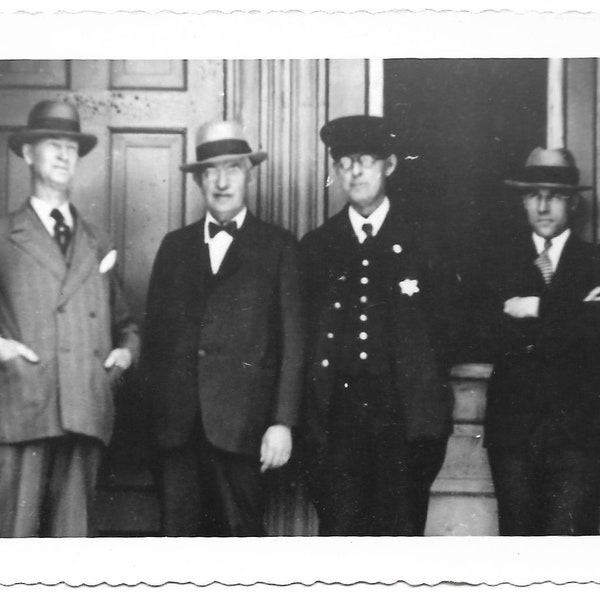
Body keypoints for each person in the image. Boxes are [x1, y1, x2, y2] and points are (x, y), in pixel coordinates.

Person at [144, 120, 304, 536]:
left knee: (240, 547)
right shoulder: (174, 247)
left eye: (232, 168)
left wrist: (282, 422)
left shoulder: (278, 246)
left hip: (245, 431)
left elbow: (294, 345)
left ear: (248, 174)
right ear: (198, 180)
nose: (221, 181)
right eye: (211, 171)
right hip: (177, 434)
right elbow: (155, 342)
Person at [300, 115, 455, 536]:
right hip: (337, 424)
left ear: (389, 166)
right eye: (344, 162)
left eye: (365, 160)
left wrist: (431, 414)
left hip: (403, 423)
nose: (354, 171)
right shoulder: (317, 247)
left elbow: (447, 331)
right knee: (342, 544)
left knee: (399, 547)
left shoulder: (424, 243)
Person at [0, 100, 139, 537]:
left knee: (69, 549)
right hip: (23, 408)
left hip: (84, 407)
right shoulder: (4, 235)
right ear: (27, 155)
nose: (63, 155)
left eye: (71, 148)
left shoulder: (98, 240)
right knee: (15, 544)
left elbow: (126, 324)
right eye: (51, 145)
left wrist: (125, 355)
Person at [483, 147, 600, 535]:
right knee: (517, 551)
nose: (544, 206)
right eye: (534, 195)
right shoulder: (497, 261)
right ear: (523, 201)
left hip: (577, 432)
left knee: (567, 554)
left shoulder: (594, 262)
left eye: (555, 195)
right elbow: (483, 331)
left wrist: (538, 307)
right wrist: (574, 314)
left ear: (572, 203)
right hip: (513, 432)